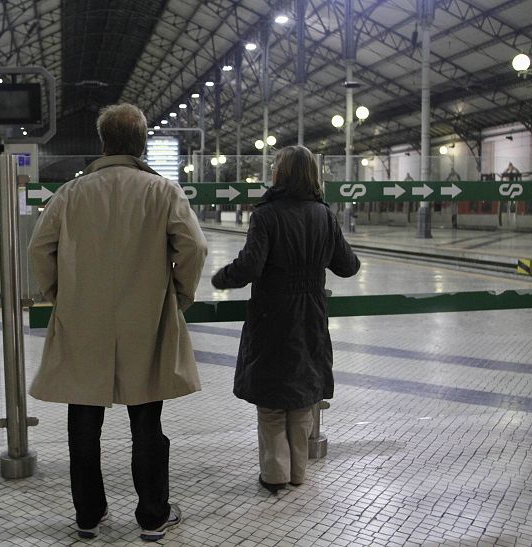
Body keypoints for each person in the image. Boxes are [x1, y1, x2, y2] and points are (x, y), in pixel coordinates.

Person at [27, 103, 208, 541]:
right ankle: (152, 516)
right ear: (142, 144)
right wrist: (178, 296)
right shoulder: (162, 191)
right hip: (145, 321)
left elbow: (38, 250)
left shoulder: (71, 193)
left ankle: (88, 516)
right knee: (147, 422)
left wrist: (60, 297)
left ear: (103, 143)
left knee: (83, 423)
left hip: (83, 321)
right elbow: (194, 249)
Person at [211, 145, 360, 493]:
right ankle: (298, 473)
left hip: (273, 315)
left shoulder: (267, 215)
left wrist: (221, 278)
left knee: (273, 400)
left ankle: (274, 475)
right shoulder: (325, 214)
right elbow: (348, 266)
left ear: (281, 174)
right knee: (302, 397)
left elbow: (250, 266)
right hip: (311, 316)